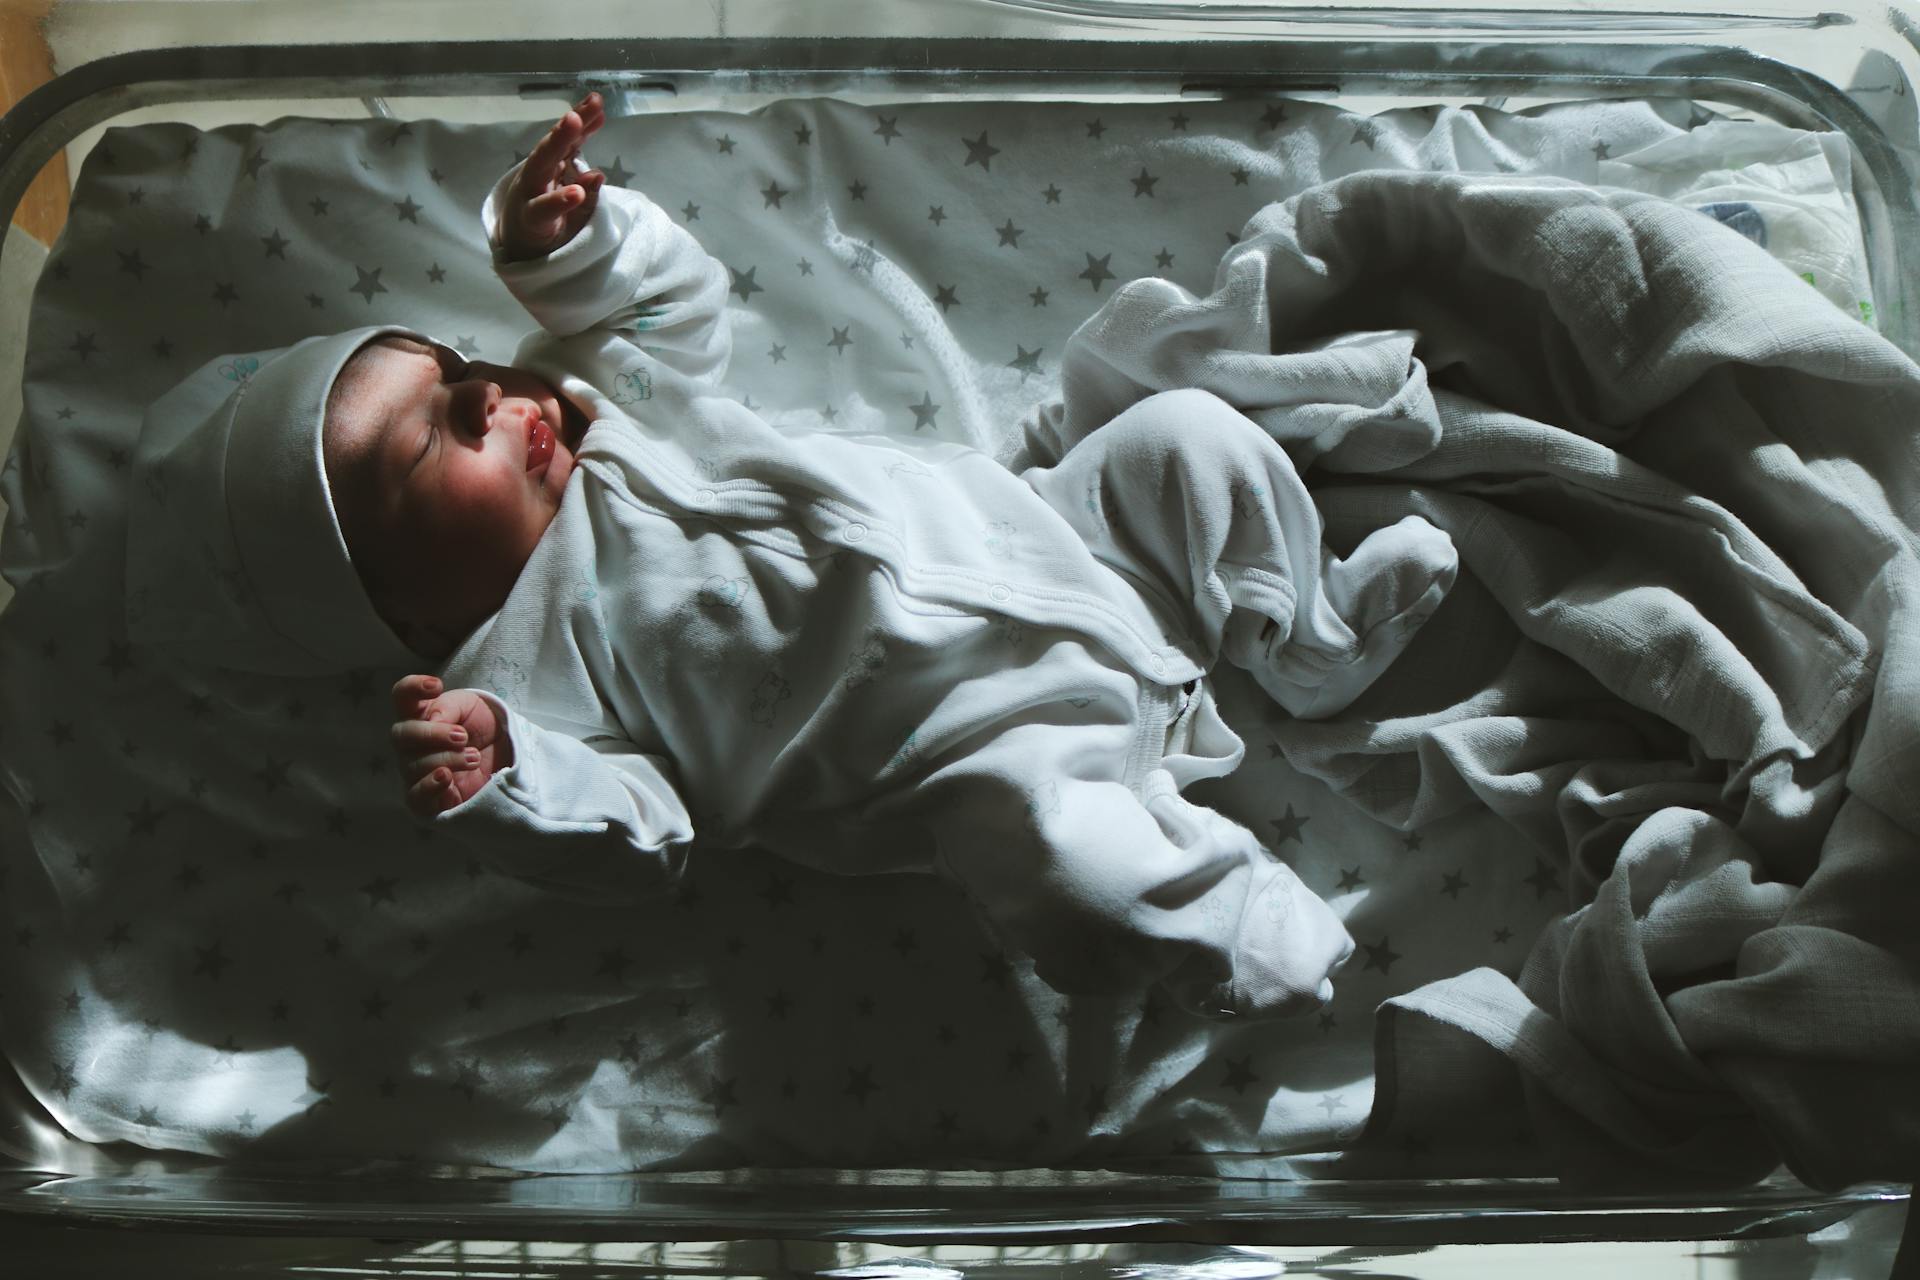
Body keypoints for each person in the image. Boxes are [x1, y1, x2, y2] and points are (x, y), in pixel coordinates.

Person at [136, 95, 1466, 1020]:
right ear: (394, 606)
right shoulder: (529, 682)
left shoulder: (605, 398)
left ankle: (1307, 644)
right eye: (427, 448)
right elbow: (638, 837)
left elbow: (675, 308)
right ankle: (1251, 930)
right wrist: (512, 782)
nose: (492, 394)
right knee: (1066, 867)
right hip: (974, 750)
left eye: (457, 372)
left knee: (1185, 440)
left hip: (1055, 530)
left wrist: (571, 248)